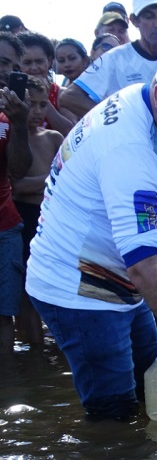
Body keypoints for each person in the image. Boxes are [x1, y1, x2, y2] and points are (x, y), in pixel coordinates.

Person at [25, 44, 157, 420]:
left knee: (152, 386)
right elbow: (144, 269)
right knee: (115, 418)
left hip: (119, 275)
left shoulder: (151, 111)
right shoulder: (128, 147)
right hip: (80, 290)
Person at [61, 0, 157, 119]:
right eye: (149, 17)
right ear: (134, 21)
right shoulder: (115, 57)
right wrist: (115, 120)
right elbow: (68, 97)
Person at [10, 78, 63, 348]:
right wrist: (48, 179)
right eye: (31, 105)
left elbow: (67, 179)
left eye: (43, 104)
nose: (38, 111)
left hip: (49, 219)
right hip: (22, 217)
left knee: (52, 286)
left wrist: (36, 184)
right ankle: (35, 350)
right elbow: (16, 186)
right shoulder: (11, 136)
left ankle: (47, 348)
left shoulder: (53, 138)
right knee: (26, 292)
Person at [0, 31, 32, 353]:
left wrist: (20, 123)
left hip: (4, 228)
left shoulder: (8, 117)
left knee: (3, 318)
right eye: (0, 62)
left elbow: (18, 169)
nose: (4, 70)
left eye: (11, 65)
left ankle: (7, 391)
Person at [17, 31, 76, 136]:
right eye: (27, 63)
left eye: (39, 61)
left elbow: (72, 133)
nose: (34, 68)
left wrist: (42, 98)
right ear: (17, 63)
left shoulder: (62, 94)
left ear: (49, 61)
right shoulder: (12, 92)